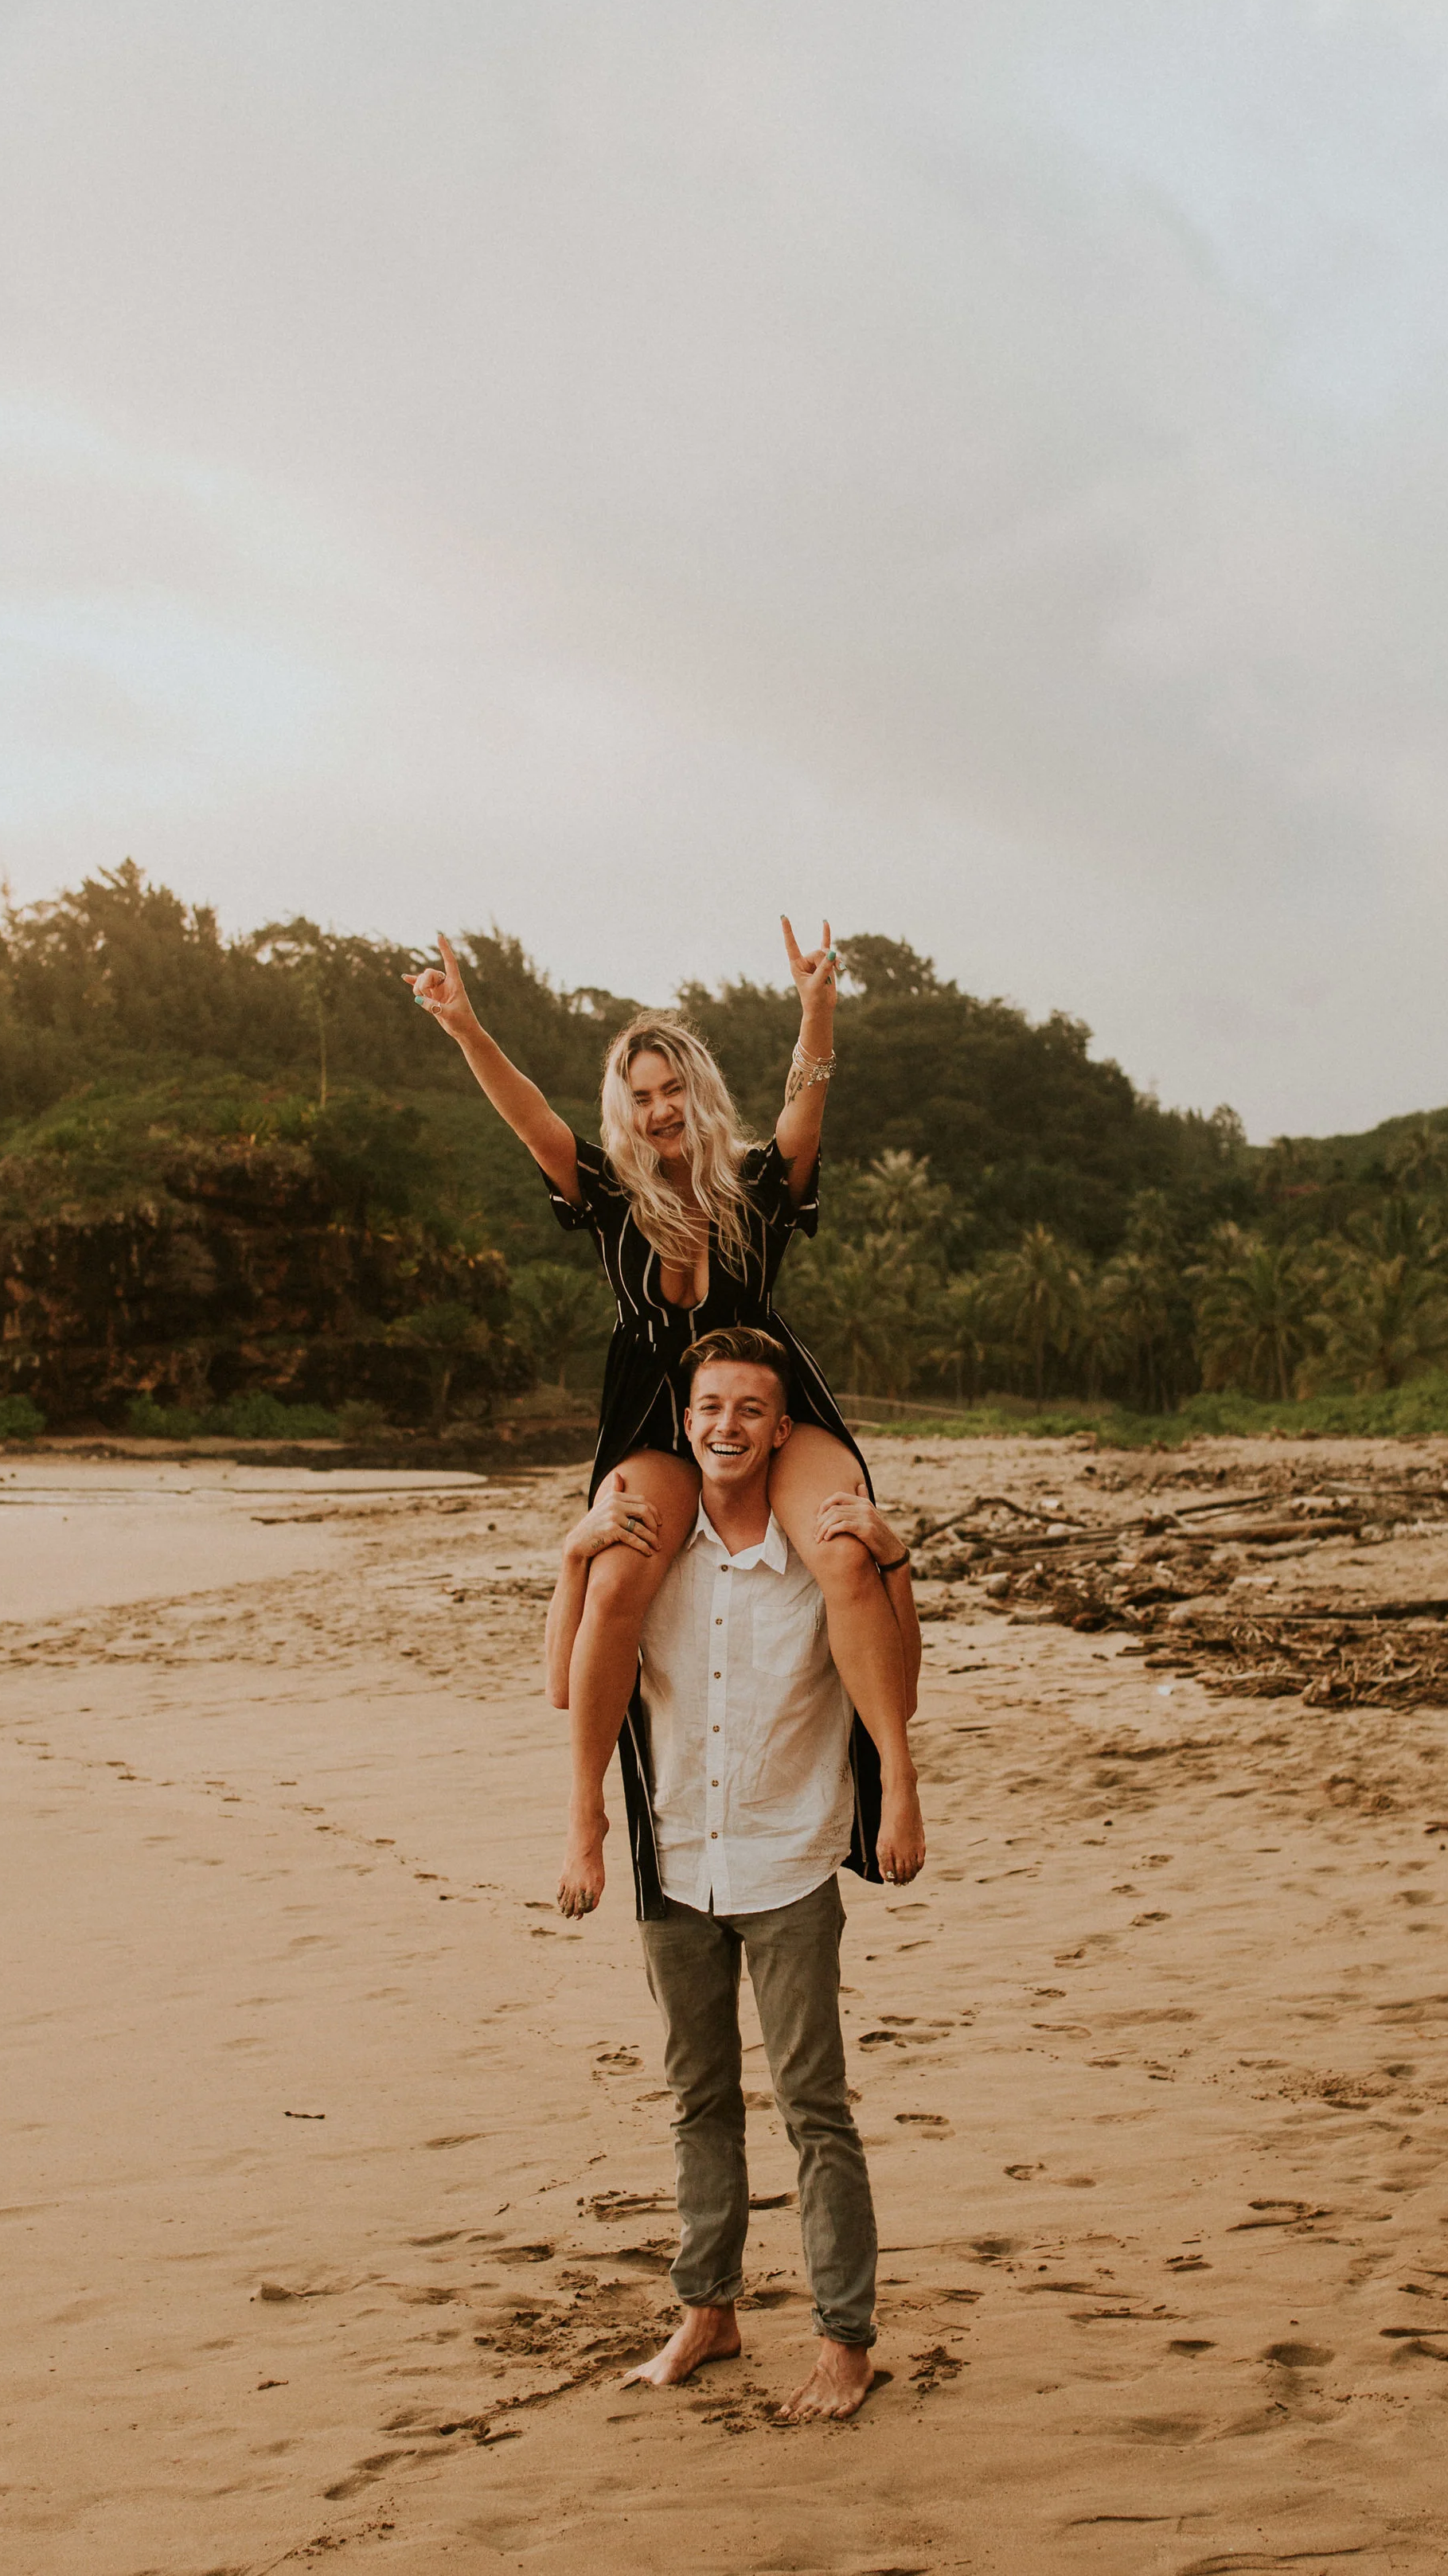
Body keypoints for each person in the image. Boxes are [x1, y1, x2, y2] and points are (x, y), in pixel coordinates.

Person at [406, 919, 924, 1916]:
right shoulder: (605, 1194)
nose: (657, 1110)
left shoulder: (762, 1186)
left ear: (700, 1090)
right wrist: (468, 1028)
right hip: (653, 1403)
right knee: (615, 1584)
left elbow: (806, 1108)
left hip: (765, 1387)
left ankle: (897, 1778)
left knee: (847, 1549)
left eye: (671, 1088)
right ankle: (585, 1815)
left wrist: (817, 1010)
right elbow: (530, 1124)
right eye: (639, 1097)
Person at [543, 1326, 915, 2419]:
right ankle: (708, 2309)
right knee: (697, 2100)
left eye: (751, 1409)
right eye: (710, 1408)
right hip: (677, 1862)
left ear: (783, 1427)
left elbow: (903, 1678)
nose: (727, 1427)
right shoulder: (651, 1549)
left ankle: (845, 2341)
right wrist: (574, 1554)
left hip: (788, 1859)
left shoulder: (820, 1559)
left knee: (814, 2111)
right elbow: (566, 1686)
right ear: (686, 1420)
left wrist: (894, 1559)